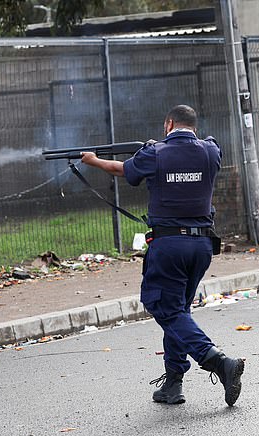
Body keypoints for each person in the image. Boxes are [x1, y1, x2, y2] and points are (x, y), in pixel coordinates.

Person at [80, 104, 244, 406]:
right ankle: (173, 383)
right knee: (178, 311)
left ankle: (219, 362)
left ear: (168, 123)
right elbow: (207, 147)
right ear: (193, 125)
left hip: (169, 245)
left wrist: (93, 161)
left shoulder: (155, 154)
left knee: (165, 308)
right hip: (202, 246)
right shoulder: (210, 151)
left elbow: (122, 169)